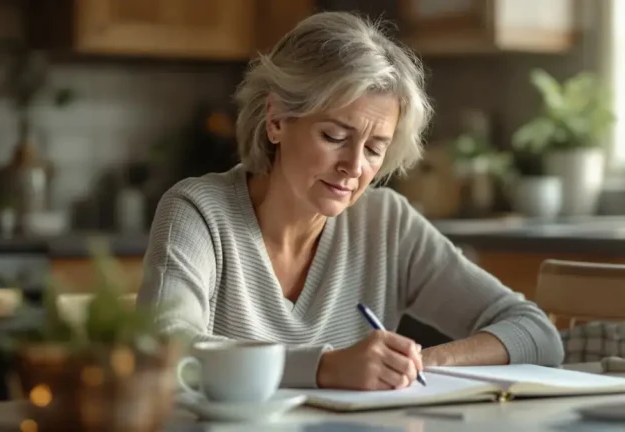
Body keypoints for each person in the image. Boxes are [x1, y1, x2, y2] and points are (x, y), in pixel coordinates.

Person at [137, 11, 564, 391]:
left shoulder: (386, 223)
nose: (354, 166)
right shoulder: (198, 212)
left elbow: (536, 333)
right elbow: (165, 349)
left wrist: (416, 364)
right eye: (334, 137)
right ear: (277, 120)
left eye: (375, 148)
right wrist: (324, 367)